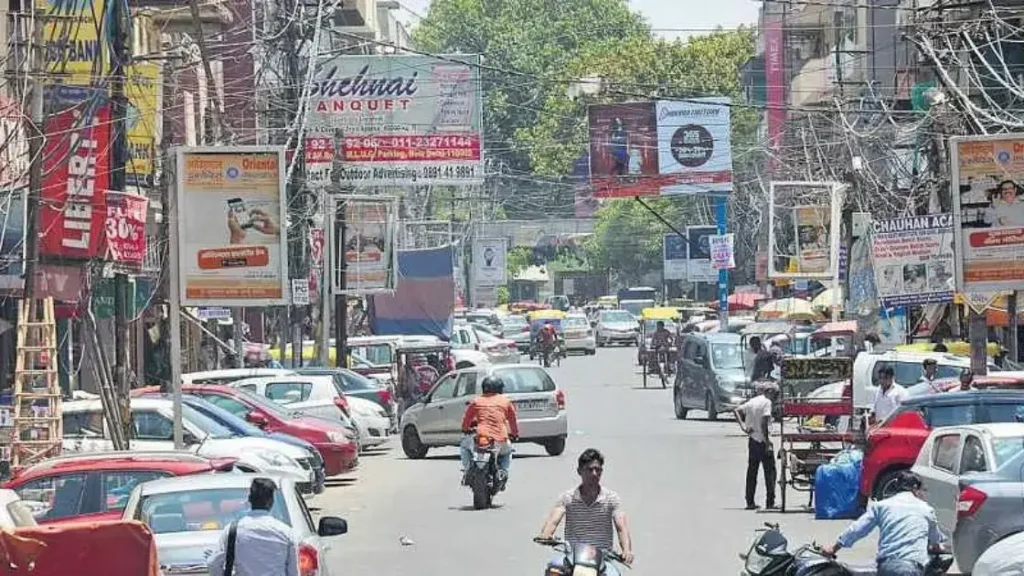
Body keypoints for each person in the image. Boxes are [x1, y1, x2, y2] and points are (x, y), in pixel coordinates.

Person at [821, 471, 945, 576]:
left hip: (886, 567)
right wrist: (937, 547)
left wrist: (834, 548)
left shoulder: (882, 506)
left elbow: (857, 529)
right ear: (915, 489)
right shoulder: (926, 509)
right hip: (911, 568)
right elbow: (935, 541)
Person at [536, 449, 634, 575]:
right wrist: (545, 534)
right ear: (579, 471)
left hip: (603, 557)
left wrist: (627, 550)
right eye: (589, 469)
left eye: (598, 470)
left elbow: (622, 528)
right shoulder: (568, 497)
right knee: (554, 569)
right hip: (571, 555)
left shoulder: (612, 498)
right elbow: (553, 520)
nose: (594, 474)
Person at [208, 478, 298, 576]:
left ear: (250, 499)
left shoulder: (232, 530)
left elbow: (213, 563)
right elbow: (293, 570)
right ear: (271, 501)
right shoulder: (285, 532)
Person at [460, 376, 519, 484]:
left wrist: (465, 429)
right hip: (500, 438)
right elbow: (512, 420)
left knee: (464, 446)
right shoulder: (506, 402)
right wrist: (515, 434)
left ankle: (468, 469)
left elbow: (466, 419)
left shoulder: (476, 401)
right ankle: (503, 472)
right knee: (507, 452)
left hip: (481, 437)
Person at [734, 385, 778, 510]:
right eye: (775, 395)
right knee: (770, 472)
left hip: (753, 439)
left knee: (752, 472)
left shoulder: (753, 401)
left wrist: (743, 426)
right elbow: (764, 422)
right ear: (770, 393)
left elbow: (737, 410)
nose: (776, 398)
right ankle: (770, 502)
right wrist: (767, 441)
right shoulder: (766, 402)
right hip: (762, 440)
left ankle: (750, 501)